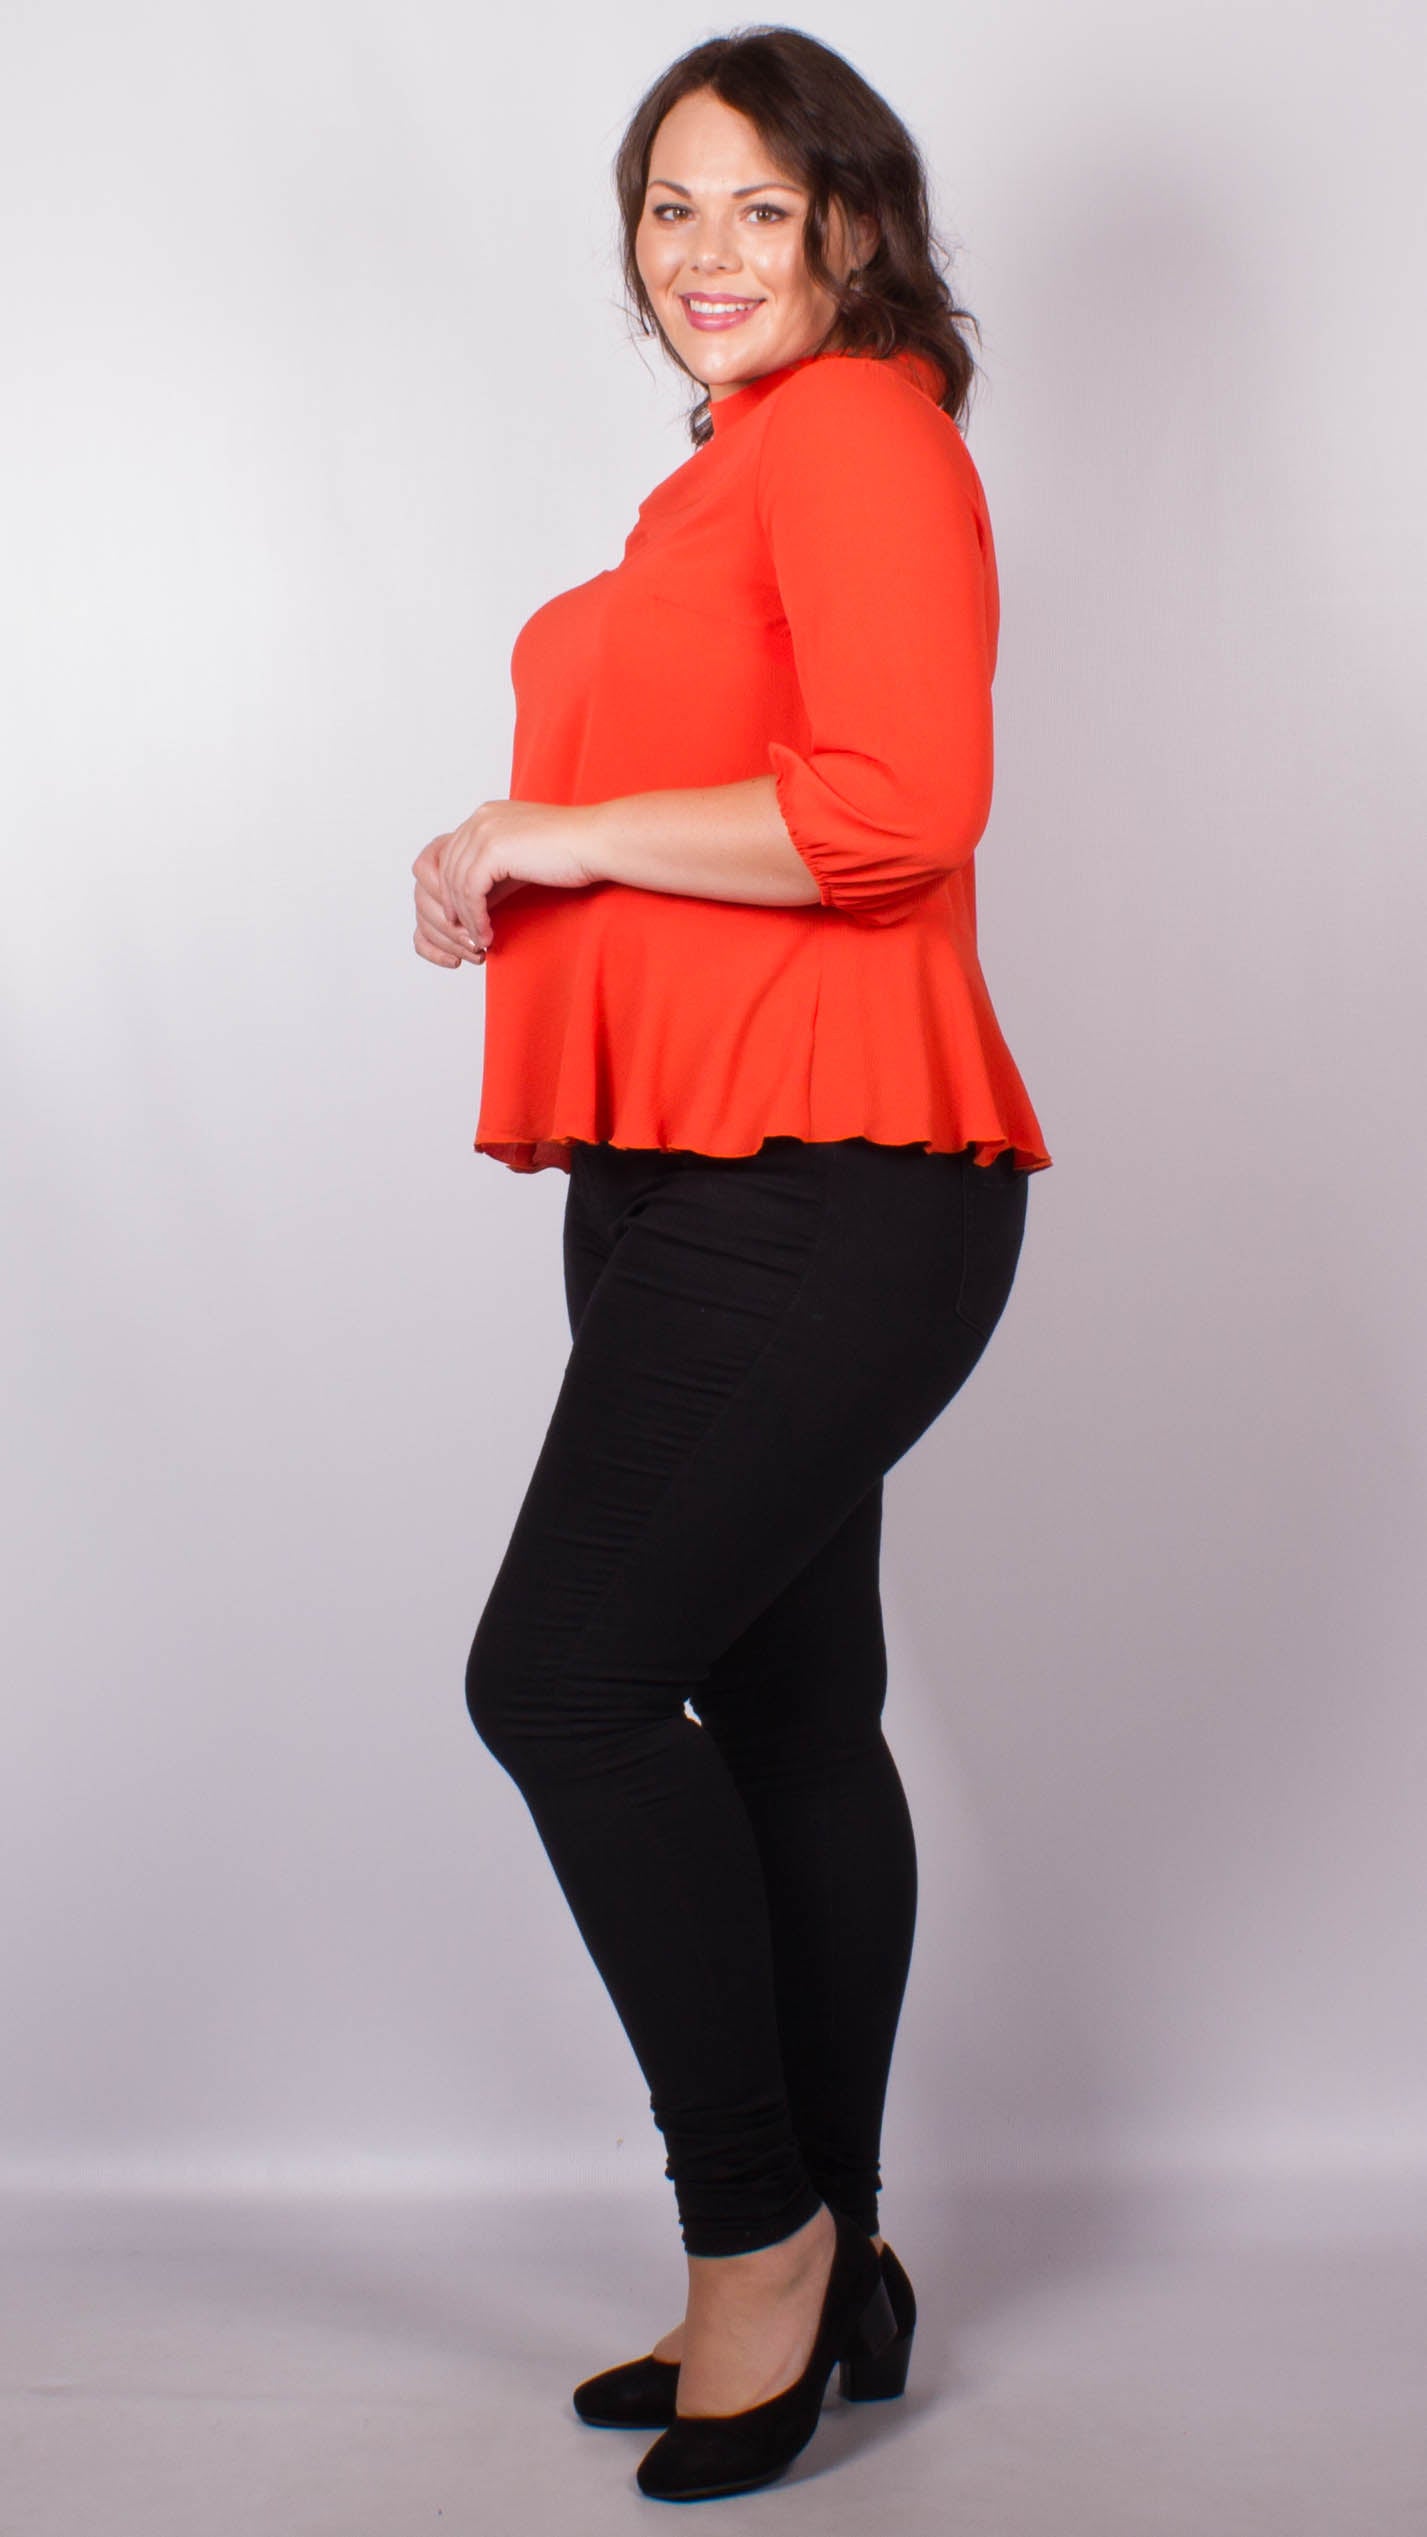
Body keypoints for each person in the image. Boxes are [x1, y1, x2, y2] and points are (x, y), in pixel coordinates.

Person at [410, 28, 1051, 2506]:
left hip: (827, 1168)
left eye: (757, 207)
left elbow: (897, 809)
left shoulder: (860, 429)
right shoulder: (729, 469)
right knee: (785, 1712)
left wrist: (547, 823)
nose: (702, 252)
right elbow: (739, 783)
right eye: (668, 207)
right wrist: (523, 855)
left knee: (564, 1679)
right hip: (697, 1161)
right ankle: (843, 2261)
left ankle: (754, 2234)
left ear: (852, 230)